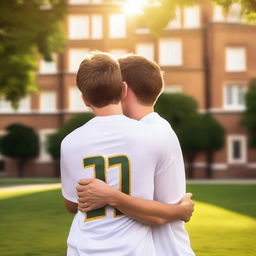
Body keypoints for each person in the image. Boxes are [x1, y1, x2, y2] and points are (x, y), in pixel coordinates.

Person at [61, 52, 194, 256]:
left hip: (164, 249)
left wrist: (109, 196)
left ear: (123, 89)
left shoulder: (156, 133)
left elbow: (162, 211)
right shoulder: (147, 132)